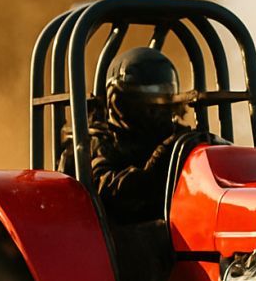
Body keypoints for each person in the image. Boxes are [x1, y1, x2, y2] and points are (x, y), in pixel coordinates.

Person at [61, 46, 190, 224]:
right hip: (113, 237)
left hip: (174, 232)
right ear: (120, 102)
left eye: (163, 100)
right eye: (148, 102)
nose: (156, 112)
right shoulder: (97, 141)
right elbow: (108, 192)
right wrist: (157, 165)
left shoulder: (177, 137)